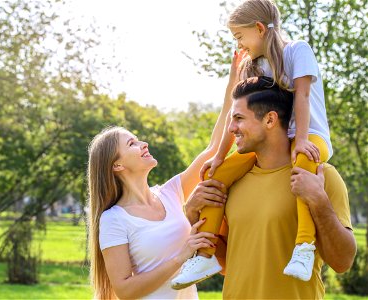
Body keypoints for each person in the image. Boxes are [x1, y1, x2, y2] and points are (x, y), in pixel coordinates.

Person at [172, 0, 335, 288]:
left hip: (310, 135)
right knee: (217, 175)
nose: (240, 44)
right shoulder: (254, 65)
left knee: (305, 162)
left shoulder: (298, 51)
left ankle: (304, 248)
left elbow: (303, 97)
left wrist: (299, 140)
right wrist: (220, 155)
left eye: (240, 37)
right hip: (276, 140)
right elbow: (237, 116)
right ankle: (205, 253)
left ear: (259, 28)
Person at [184, 76, 356, 299]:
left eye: (238, 118)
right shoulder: (232, 183)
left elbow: (342, 262)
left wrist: (319, 201)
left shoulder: (320, 177)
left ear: (270, 120)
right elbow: (227, 264)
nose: (232, 128)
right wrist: (191, 214)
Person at [87, 118, 228, 298]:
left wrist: (234, 93)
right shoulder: (114, 219)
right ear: (117, 165)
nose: (144, 144)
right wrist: (181, 256)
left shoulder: (170, 193)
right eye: (132, 144)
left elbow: (214, 149)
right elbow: (124, 290)